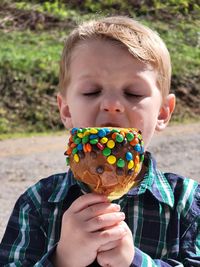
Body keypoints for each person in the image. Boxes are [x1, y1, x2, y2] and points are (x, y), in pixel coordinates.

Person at [0, 15, 199, 267]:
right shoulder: (37, 204)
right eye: (92, 91)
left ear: (162, 112)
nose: (112, 105)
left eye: (133, 93)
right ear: (67, 111)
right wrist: (62, 260)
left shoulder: (187, 204)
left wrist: (135, 262)